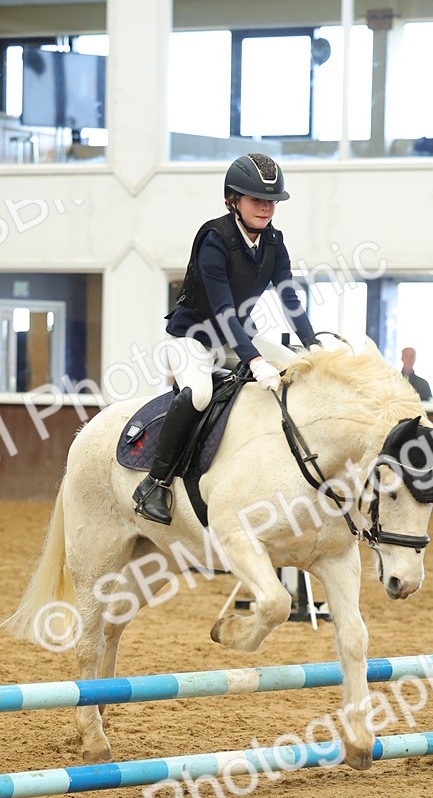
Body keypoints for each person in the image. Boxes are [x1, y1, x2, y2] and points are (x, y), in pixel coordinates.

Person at [132, 153, 321, 525]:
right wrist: (253, 361)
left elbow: (289, 298)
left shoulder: (273, 243)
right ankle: (155, 483)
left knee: (297, 368)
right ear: (232, 200)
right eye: (256, 200)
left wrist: (314, 346)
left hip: (235, 338)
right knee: (199, 395)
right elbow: (223, 312)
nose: (266, 208)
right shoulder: (214, 240)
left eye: (271, 201)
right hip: (193, 338)